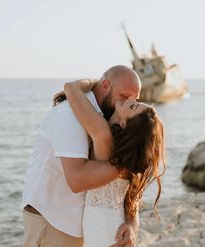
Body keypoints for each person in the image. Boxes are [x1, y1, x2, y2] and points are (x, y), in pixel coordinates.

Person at [21, 65, 142, 247]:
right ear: (105, 86)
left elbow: (130, 188)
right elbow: (77, 180)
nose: (126, 102)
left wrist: (133, 223)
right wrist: (125, 166)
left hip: (88, 228)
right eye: (125, 97)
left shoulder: (115, 122)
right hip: (54, 223)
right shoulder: (68, 114)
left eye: (134, 100)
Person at [53, 78, 165, 246]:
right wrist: (133, 224)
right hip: (113, 224)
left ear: (125, 124)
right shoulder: (126, 157)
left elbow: (71, 88)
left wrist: (99, 82)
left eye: (133, 106)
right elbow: (131, 199)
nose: (131, 99)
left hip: (102, 227)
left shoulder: (103, 137)